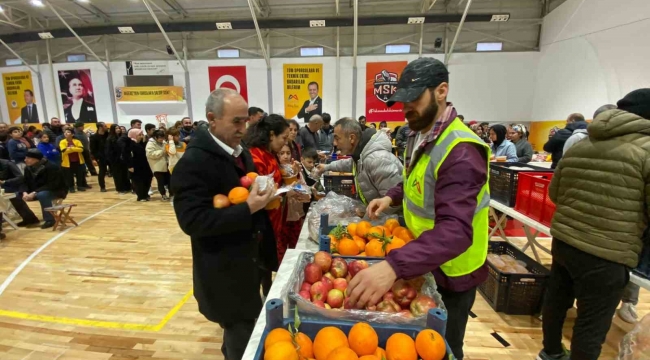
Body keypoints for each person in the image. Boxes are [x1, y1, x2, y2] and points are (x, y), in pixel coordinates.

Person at [348, 57, 490, 360]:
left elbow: (455, 231)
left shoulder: (462, 150)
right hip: (423, 261)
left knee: (443, 349)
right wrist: (391, 196)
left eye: (414, 99)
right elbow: (417, 179)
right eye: (403, 101)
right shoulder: (421, 133)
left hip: (452, 273)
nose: (406, 108)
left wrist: (394, 266)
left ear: (441, 91)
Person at [536, 89, 650, 360]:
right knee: (592, 322)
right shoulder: (646, 151)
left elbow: (555, 193)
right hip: (608, 251)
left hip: (565, 241)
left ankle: (550, 352)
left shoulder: (582, 144)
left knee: (556, 300)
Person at [171, 88, 277, 360]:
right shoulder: (193, 162)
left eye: (246, 121)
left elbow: (248, 193)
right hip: (223, 270)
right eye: (236, 122)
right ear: (212, 119)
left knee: (241, 326)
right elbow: (192, 221)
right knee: (242, 333)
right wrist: (250, 207)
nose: (243, 128)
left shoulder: (240, 152)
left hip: (248, 261)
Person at [245, 114, 307, 265]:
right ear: (271, 135)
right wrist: (286, 192)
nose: (286, 142)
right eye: (284, 138)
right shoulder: (256, 156)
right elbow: (261, 191)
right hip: (263, 220)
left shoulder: (270, 154)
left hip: (275, 217)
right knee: (263, 264)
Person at [316, 118, 403, 210]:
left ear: (352, 138)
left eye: (337, 138)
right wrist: (326, 167)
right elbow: (348, 164)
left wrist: (366, 217)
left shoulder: (378, 160)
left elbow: (391, 206)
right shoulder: (361, 156)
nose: (334, 143)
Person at [23, 149, 68, 229]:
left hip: (56, 190)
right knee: (15, 195)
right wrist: (25, 192)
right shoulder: (28, 168)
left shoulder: (51, 167)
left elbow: (53, 184)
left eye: (28, 158)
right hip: (35, 191)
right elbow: (25, 182)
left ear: (36, 159)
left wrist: (34, 193)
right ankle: (29, 218)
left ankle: (50, 219)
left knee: (42, 195)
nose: (25, 160)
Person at [0, 158, 40, 227]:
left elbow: (20, 177)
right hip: (6, 187)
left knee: (16, 198)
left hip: (18, 186)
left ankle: (31, 219)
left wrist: (5, 182)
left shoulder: (9, 164)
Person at [127, 129, 153, 202]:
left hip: (145, 165)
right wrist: (130, 166)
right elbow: (127, 156)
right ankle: (141, 196)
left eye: (142, 134)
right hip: (136, 166)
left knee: (147, 179)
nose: (141, 136)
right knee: (139, 182)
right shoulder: (130, 144)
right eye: (139, 135)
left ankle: (145, 194)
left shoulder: (142, 143)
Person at [59, 128, 86, 193]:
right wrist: (75, 148)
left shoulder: (77, 141)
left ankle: (80, 186)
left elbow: (81, 149)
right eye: (65, 132)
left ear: (72, 134)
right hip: (67, 162)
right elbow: (63, 150)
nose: (66, 133)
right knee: (69, 176)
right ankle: (71, 187)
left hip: (78, 161)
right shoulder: (62, 142)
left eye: (68, 132)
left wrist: (70, 148)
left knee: (79, 175)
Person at [106, 125, 130, 194]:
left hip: (123, 159)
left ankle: (127, 187)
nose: (118, 129)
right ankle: (120, 189)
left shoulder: (122, 137)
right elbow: (108, 151)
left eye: (119, 128)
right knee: (118, 175)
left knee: (125, 174)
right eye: (116, 128)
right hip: (115, 160)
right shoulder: (110, 139)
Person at [146, 130, 170, 201]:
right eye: (160, 138)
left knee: (169, 181)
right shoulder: (150, 144)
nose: (161, 139)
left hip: (166, 165)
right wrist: (162, 151)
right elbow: (150, 154)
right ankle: (163, 195)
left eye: (163, 137)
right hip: (157, 166)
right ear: (155, 137)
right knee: (161, 182)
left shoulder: (164, 142)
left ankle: (171, 194)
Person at [90, 122, 109, 192]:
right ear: (100, 127)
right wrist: (95, 158)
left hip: (109, 156)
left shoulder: (108, 135)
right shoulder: (93, 137)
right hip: (101, 157)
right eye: (105, 126)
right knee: (102, 172)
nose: (106, 127)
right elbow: (93, 149)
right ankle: (102, 187)